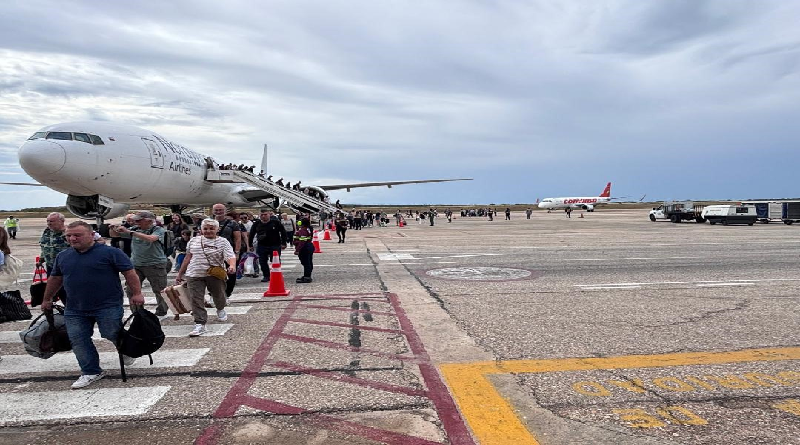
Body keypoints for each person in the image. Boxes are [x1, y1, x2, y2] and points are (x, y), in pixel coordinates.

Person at [41, 221, 144, 389]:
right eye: (69, 236)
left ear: (91, 235)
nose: (72, 239)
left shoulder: (111, 253)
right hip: (75, 307)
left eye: (77, 235)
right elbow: (55, 279)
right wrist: (47, 299)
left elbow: (130, 273)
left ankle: (126, 349)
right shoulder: (63, 256)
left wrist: (137, 293)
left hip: (107, 305)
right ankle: (90, 371)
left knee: (111, 332)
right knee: (78, 338)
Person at [175, 219, 236, 337]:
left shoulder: (223, 242)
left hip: (214, 274)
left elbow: (230, 255)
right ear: (201, 230)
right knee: (196, 298)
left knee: (219, 295)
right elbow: (188, 257)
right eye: (206, 229)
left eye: (211, 228)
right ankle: (200, 323)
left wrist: (232, 265)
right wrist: (180, 273)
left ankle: (220, 308)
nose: (208, 231)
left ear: (217, 230)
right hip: (194, 273)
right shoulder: (193, 241)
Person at [111, 211, 170, 317]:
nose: (136, 222)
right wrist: (113, 229)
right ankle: (138, 312)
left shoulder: (158, 229)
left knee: (159, 290)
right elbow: (115, 235)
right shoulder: (134, 229)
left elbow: (151, 239)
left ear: (148, 221)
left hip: (155, 264)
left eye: (139, 220)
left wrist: (131, 233)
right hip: (136, 264)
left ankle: (161, 311)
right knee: (131, 289)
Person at [249, 209, 287, 282]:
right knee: (262, 261)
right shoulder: (256, 223)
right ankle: (266, 275)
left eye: (265, 215)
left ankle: (276, 273)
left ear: (269, 214)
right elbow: (251, 234)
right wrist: (250, 245)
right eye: (262, 215)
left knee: (275, 260)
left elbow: (283, 232)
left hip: (275, 244)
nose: (263, 216)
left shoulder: (275, 222)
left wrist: (284, 243)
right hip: (262, 245)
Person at [212, 204, 241, 298]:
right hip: (212, 252)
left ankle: (227, 293)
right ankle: (215, 294)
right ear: (213, 211)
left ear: (225, 211)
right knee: (213, 274)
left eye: (220, 210)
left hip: (228, 252)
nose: (218, 212)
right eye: (216, 210)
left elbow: (238, 238)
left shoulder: (232, 223)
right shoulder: (209, 222)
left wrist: (237, 252)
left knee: (230, 273)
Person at [39, 212, 70, 277]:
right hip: (50, 265)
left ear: (62, 221)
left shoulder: (69, 233)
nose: (49, 223)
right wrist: (41, 259)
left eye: (52, 221)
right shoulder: (47, 231)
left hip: (65, 266)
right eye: (48, 221)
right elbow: (45, 245)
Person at [294, 218, 314, 283]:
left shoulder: (303, 230)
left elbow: (302, 241)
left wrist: (297, 250)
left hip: (305, 247)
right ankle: (307, 275)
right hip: (309, 246)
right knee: (309, 262)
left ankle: (307, 277)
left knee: (305, 262)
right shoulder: (308, 229)